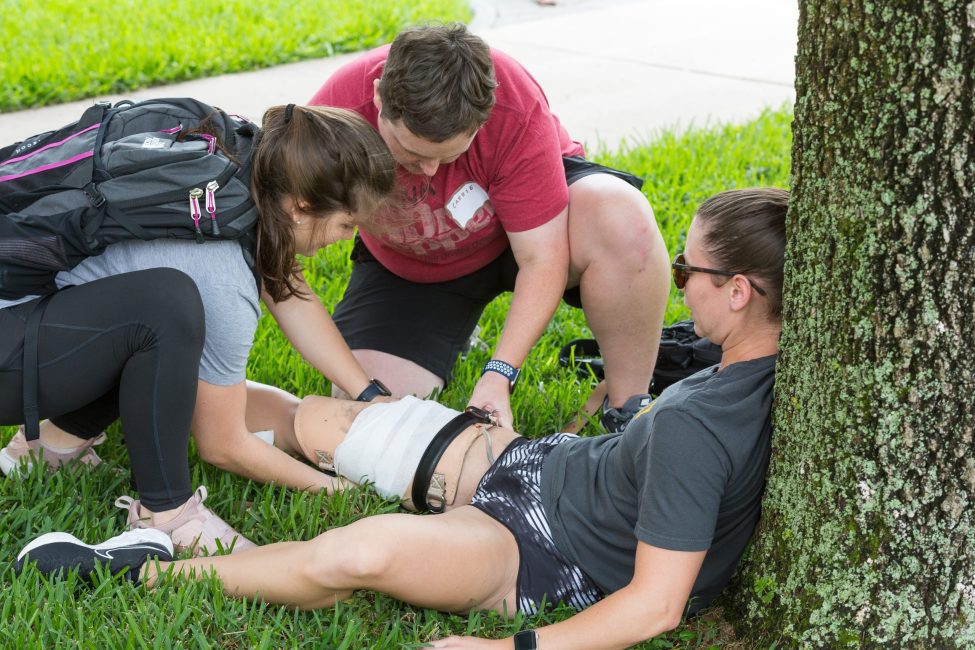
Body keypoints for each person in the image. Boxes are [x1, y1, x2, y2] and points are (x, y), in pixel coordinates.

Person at [16, 188, 786, 649]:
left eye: (686, 271)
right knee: (318, 423)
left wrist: (519, 647)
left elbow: (654, 604)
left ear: (740, 291)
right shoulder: (752, 369)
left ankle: (136, 568)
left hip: (545, 552)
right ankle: (130, 386)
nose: (677, 283)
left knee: (357, 555)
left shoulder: (702, 426)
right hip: (533, 463)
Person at [1, 103, 396, 554]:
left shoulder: (233, 174)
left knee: (148, 316)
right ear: (301, 208)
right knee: (164, 310)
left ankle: (50, 449)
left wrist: (369, 395)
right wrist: (332, 488)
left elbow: (289, 293)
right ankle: (168, 515)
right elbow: (223, 443)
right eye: (348, 224)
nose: (349, 237)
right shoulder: (223, 272)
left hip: (19, 312)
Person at [308, 23, 672, 433]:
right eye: (411, 152)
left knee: (622, 217)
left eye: (449, 155)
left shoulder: (513, 99)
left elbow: (542, 258)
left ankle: (628, 406)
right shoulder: (337, 108)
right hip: (415, 266)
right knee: (369, 406)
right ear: (378, 98)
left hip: (538, 235)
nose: (429, 172)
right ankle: (455, 329)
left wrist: (499, 374)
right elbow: (289, 217)